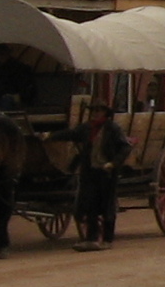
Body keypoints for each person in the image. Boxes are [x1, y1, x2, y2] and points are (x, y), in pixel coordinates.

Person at [46, 104, 130, 251]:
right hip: (90, 171)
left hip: (107, 172)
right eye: (93, 111)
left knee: (107, 205)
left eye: (98, 111)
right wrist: (51, 136)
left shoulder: (113, 128)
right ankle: (91, 239)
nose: (94, 113)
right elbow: (71, 134)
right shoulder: (87, 128)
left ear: (105, 113)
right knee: (90, 204)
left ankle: (107, 239)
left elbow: (125, 147)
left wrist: (113, 163)